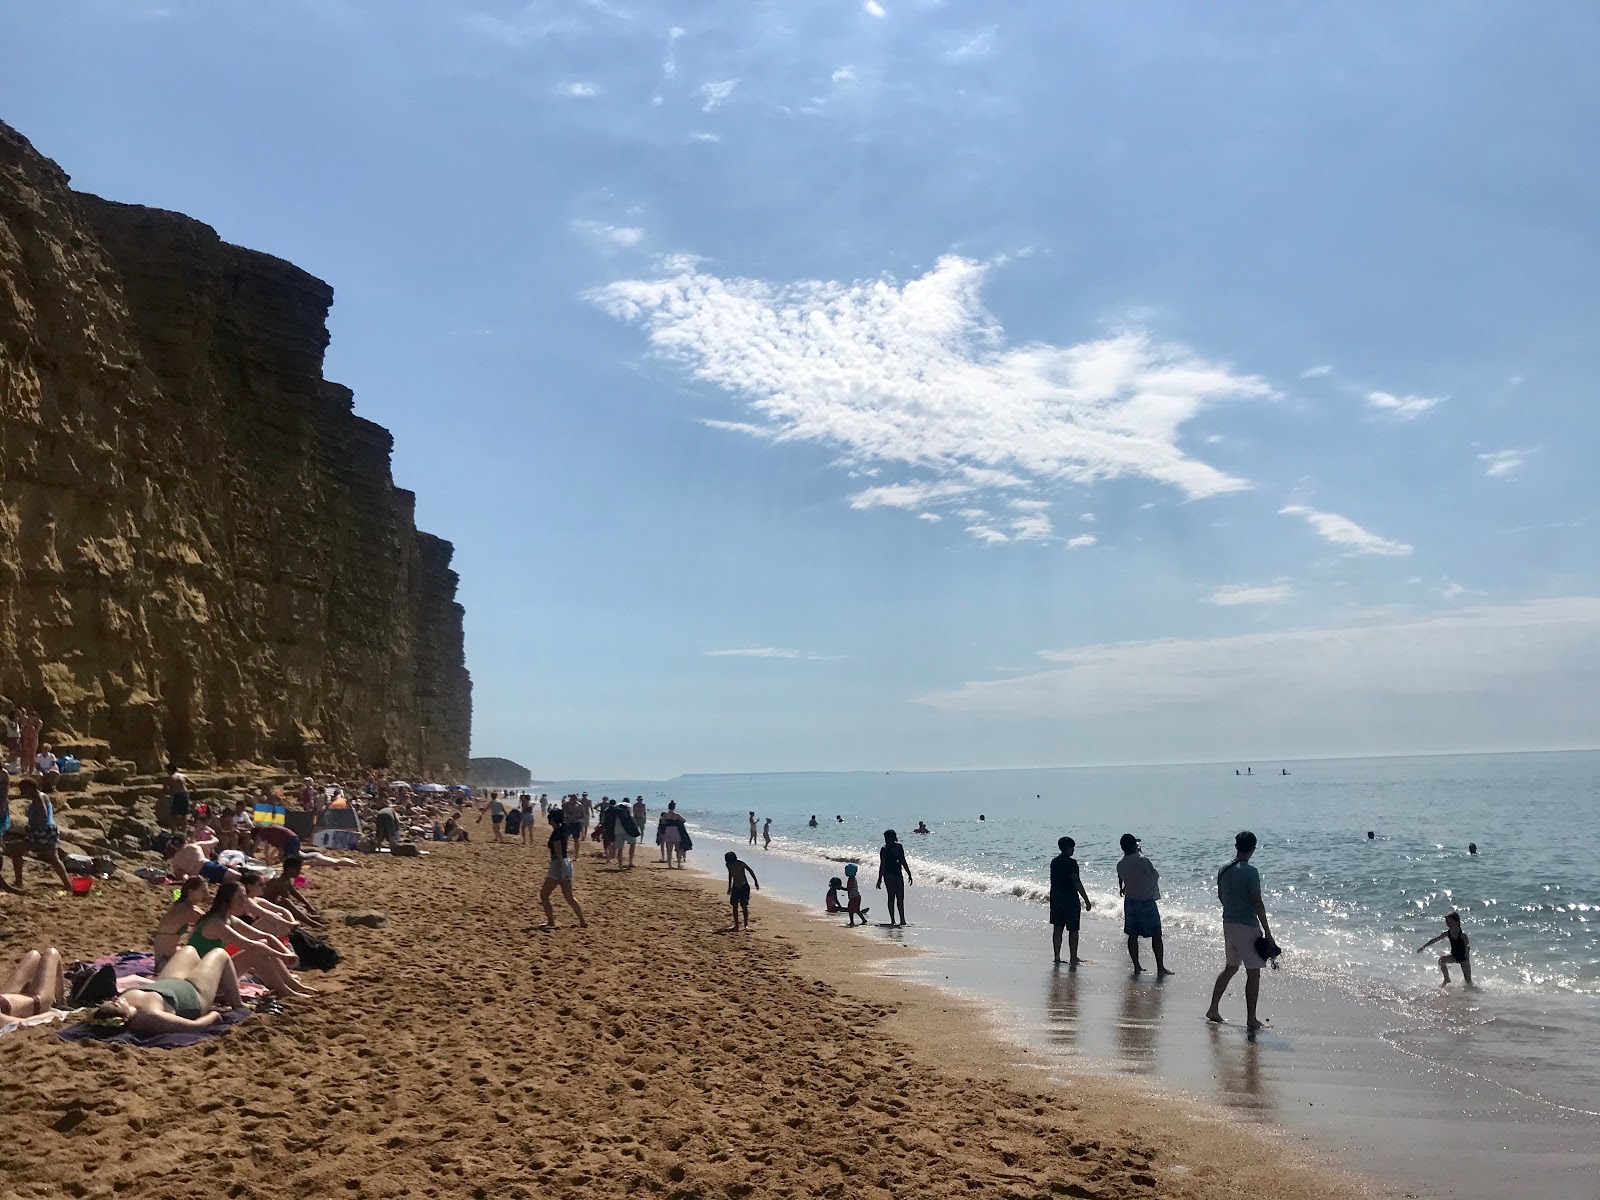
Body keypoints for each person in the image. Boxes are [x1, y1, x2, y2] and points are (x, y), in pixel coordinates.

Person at [187, 882, 314, 999]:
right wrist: (281, 955)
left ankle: (292, 985)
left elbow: (265, 937)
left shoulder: (229, 919)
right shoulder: (216, 923)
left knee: (263, 944)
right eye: (240, 898)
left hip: (216, 971)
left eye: (244, 897)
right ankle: (287, 991)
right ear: (227, 901)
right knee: (255, 952)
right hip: (204, 979)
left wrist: (286, 953)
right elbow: (251, 946)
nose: (244, 902)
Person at [91, 946, 251, 1034]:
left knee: (189, 950)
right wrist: (214, 1015)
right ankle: (238, 1005)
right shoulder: (151, 1015)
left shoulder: (127, 1001)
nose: (115, 999)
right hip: (193, 994)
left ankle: (219, 986)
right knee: (220, 954)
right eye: (116, 1004)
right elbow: (195, 1026)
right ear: (124, 1016)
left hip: (167, 983)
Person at [1205, 831, 1273, 1032]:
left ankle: (1213, 1008)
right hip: (1247, 926)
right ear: (1253, 848)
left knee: (1231, 967)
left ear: (1236, 846)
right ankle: (1251, 1018)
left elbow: (1221, 896)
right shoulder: (1251, 872)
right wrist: (1268, 932)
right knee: (1253, 973)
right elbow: (1257, 902)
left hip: (1229, 923)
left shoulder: (1224, 868)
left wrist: (1231, 910)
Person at [1116, 834, 1171, 977]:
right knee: (1156, 934)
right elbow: (1154, 875)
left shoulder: (1120, 864)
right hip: (1146, 900)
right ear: (1135, 845)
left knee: (1132, 934)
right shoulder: (1143, 860)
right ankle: (1160, 967)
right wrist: (1141, 853)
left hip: (1130, 901)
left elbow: (1124, 879)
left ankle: (1137, 966)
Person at [5, 778, 73, 891]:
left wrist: (34, 826)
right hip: (46, 831)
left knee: (16, 850)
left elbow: (43, 813)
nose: (22, 793)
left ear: (30, 788)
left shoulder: (39, 797)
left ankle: (19, 881)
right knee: (53, 858)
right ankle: (67, 884)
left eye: (23, 790)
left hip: (43, 831)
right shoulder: (39, 797)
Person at [1049, 837, 1092, 965]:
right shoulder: (1072, 863)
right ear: (1068, 848)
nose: (1073, 850)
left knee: (1058, 928)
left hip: (1056, 897)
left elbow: (1052, 880)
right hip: (1070, 899)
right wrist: (1087, 900)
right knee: (1073, 930)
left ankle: (1057, 957)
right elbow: (1076, 881)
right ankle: (1073, 957)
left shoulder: (1054, 862)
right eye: (1072, 847)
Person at [539, 811, 586, 929]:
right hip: (567, 863)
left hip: (558, 865)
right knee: (569, 897)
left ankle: (551, 922)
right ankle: (582, 921)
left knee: (544, 895)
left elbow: (558, 854)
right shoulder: (563, 830)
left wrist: (559, 872)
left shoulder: (557, 834)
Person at [153, 878, 212, 970]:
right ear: (191, 892)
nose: (207, 895)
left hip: (163, 958)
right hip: (165, 962)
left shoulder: (182, 905)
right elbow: (213, 922)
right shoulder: (187, 910)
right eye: (203, 891)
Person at [0, 946, 63, 1019]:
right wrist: (49, 1015)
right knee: (52, 954)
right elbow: (20, 1022)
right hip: (38, 1002)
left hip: (6, 996)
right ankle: (61, 1002)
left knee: (33, 955)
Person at [1417, 912, 1473, 986]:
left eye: (1450, 922)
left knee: (1468, 982)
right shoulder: (1448, 933)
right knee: (1441, 960)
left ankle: (1472, 994)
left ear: (1457, 922)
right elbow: (1435, 940)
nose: (1448, 924)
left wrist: (1466, 954)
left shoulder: (1462, 935)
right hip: (1454, 956)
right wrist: (1424, 947)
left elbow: (1467, 946)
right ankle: (1447, 979)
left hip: (1464, 959)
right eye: (1447, 922)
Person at [875, 830, 913, 927]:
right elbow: (882, 865)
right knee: (891, 897)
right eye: (886, 839)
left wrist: (909, 873)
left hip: (898, 874)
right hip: (888, 875)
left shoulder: (899, 847)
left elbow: (903, 861)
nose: (887, 841)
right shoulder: (884, 849)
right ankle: (892, 920)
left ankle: (902, 919)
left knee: (900, 897)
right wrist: (879, 879)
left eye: (888, 838)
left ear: (893, 838)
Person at [725, 851, 761, 930]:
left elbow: (750, 871)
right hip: (735, 887)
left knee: (744, 906)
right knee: (734, 906)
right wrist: (729, 886)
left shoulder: (740, 863)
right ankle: (736, 925)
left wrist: (756, 882)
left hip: (744, 886)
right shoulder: (728, 865)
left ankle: (746, 924)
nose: (731, 864)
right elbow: (730, 875)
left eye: (732, 862)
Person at [659, 802, 688, 869]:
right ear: (674, 807)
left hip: (667, 832)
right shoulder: (676, 815)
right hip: (675, 832)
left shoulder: (665, 815)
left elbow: (663, 822)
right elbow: (684, 820)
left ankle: (669, 865)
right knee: (678, 849)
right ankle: (679, 864)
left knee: (669, 850)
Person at [166, 762, 192, 832]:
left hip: (176, 795)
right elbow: (193, 784)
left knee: (173, 815)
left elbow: (165, 789)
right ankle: (184, 831)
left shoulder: (170, 778)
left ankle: (174, 831)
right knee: (184, 815)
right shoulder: (183, 776)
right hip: (185, 794)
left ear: (169, 770)